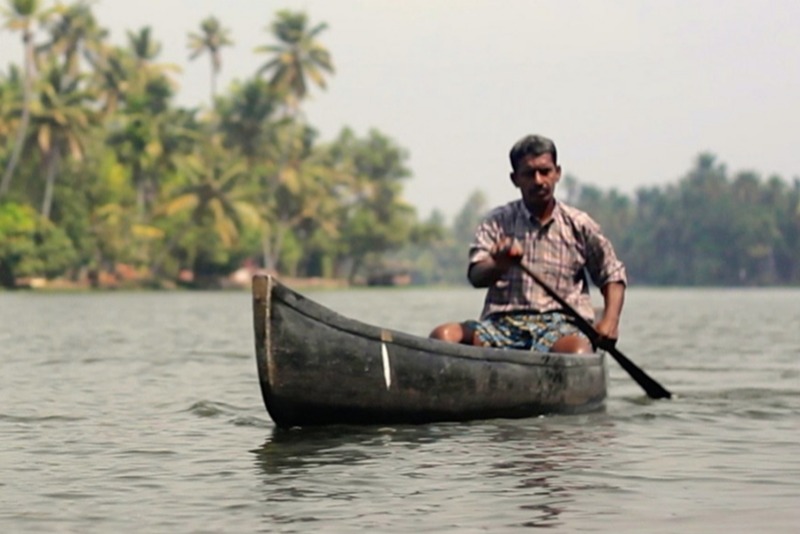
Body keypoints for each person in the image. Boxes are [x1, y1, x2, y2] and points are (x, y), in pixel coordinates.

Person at [429, 134, 627, 354]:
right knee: (443, 337)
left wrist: (610, 322)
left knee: (576, 353)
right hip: (502, 325)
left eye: (545, 171)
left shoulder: (579, 225)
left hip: (561, 326)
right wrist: (499, 264)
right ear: (515, 179)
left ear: (557, 173)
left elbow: (612, 274)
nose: (538, 181)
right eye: (529, 174)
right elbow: (476, 275)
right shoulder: (498, 222)